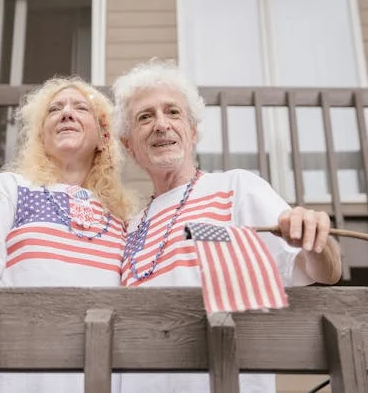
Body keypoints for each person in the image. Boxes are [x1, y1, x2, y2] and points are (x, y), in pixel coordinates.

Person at [111, 60, 342, 393]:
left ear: (192, 132)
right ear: (129, 144)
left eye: (173, 112)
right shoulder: (130, 229)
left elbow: (321, 271)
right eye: (145, 117)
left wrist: (316, 238)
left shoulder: (236, 188)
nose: (161, 125)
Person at [0, 76, 133, 392]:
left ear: (103, 137)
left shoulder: (124, 218)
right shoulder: (9, 189)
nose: (66, 113)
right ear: (42, 136)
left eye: (80, 108)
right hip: (19, 379)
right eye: (54, 109)